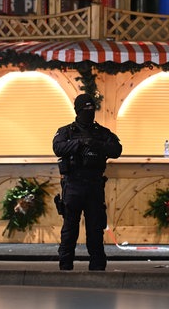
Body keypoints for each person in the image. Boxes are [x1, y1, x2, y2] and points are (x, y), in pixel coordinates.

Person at [52, 93, 122, 271]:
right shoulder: (67, 131)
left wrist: (96, 144)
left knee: (95, 228)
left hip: (94, 186)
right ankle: (65, 264)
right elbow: (57, 148)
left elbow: (116, 149)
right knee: (69, 228)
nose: (89, 113)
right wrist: (80, 143)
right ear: (77, 110)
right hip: (73, 184)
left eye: (92, 109)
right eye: (86, 109)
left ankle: (97, 266)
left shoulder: (101, 132)